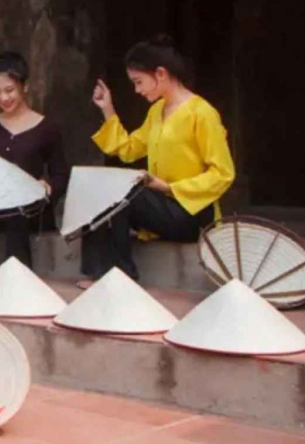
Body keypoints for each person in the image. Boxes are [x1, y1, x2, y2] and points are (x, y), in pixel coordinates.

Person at [80, 35, 235, 287]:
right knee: (102, 187)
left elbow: (223, 173)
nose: (137, 90)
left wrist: (168, 188)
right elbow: (129, 149)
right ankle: (97, 271)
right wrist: (107, 109)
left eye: (139, 82)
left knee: (125, 195)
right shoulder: (156, 111)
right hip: (163, 206)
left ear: (160, 74)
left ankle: (122, 275)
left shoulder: (202, 113)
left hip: (192, 211)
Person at [0, 52, 68, 279]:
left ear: (25, 87)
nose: (3, 98)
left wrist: (48, 186)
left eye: (9, 90)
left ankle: (18, 272)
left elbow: (61, 174)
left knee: (17, 206)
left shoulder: (46, 128)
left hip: (30, 208)